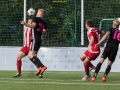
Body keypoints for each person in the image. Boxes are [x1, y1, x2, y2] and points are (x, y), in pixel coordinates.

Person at [21, 8, 47, 78]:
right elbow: (44, 29)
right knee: (33, 55)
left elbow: (33, 26)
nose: (36, 13)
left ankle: (41, 66)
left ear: (39, 13)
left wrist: (25, 24)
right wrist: (39, 28)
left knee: (30, 55)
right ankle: (39, 68)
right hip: (39, 40)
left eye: (37, 12)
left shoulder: (35, 18)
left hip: (35, 39)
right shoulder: (43, 21)